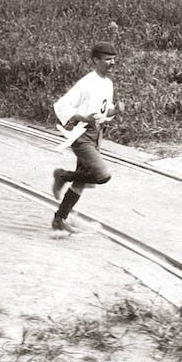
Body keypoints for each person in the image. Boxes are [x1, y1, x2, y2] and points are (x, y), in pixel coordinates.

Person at [51, 41, 124, 233]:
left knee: (81, 182)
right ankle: (62, 175)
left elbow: (103, 110)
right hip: (82, 134)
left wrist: (114, 110)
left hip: (96, 134)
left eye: (113, 59)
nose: (112, 63)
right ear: (95, 60)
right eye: (107, 60)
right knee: (102, 174)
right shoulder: (86, 83)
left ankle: (59, 220)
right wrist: (83, 117)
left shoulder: (108, 83)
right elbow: (61, 106)